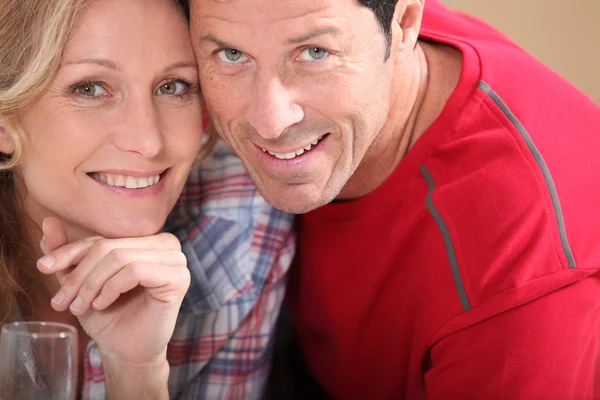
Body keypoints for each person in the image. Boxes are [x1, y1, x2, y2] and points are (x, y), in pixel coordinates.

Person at [185, 0, 600, 398]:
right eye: (231, 54)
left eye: (314, 53)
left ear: (404, 27)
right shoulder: (328, 18)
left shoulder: (515, 280)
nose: (270, 121)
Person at [0, 0, 294, 399]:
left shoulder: (239, 218)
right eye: (90, 89)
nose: (148, 141)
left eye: (173, 87)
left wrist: (137, 373)